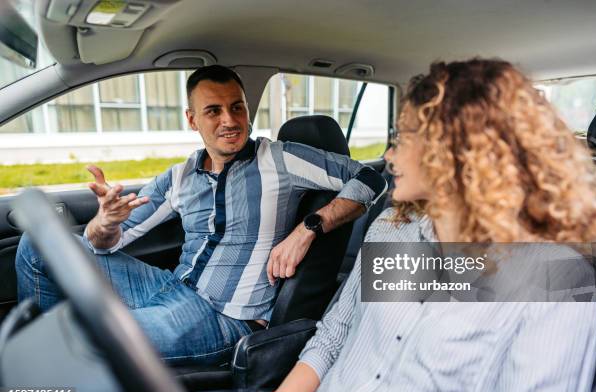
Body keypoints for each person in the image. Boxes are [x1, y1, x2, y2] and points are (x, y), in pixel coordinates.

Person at [267, 58, 596, 392]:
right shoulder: (391, 230)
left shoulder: (555, 280)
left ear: (454, 149)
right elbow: (333, 336)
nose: (388, 154)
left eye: (402, 139)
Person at [15, 65, 387, 366]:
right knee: (37, 244)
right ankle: (52, 359)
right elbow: (106, 242)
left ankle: (53, 367)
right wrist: (105, 222)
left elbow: (369, 177)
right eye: (213, 110)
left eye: (237, 107)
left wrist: (309, 227)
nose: (229, 120)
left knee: (83, 335)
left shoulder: (280, 158)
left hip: (222, 320)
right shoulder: (179, 176)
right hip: (167, 288)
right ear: (193, 120)